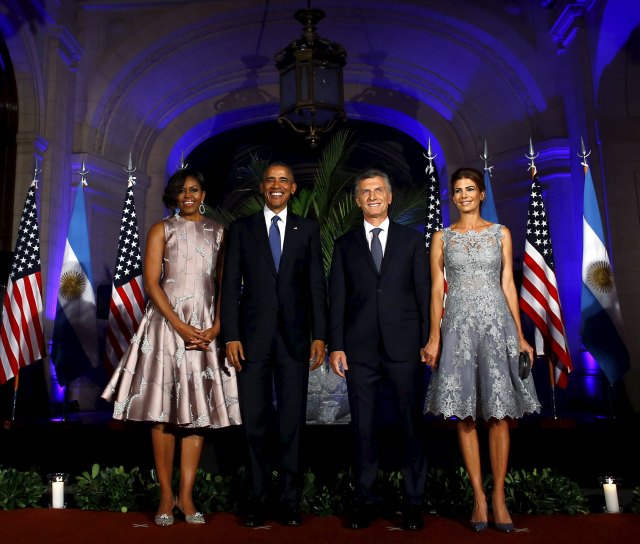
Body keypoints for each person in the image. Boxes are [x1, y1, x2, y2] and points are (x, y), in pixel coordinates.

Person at [102, 168, 240, 527]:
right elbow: (151, 282)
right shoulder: (162, 229)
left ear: (204, 194)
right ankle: (165, 495)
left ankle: (187, 496)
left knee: (197, 413)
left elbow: (227, 285)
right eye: (181, 191)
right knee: (162, 413)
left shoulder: (220, 232)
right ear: (174, 197)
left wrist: (217, 327)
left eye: (194, 189)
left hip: (206, 326)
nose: (188, 196)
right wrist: (178, 324)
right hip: (167, 325)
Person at [422, 167, 541, 533]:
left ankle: (500, 497)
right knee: (466, 415)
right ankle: (478, 498)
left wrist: (520, 337)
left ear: (481, 193)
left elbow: (508, 283)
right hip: (457, 328)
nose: (464, 195)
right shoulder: (442, 238)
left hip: (496, 327)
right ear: (452, 197)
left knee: (500, 414)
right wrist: (434, 338)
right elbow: (436, 291)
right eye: (457, 190)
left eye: (470, 189)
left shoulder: (500, 233)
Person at [220, 161, 327, 527]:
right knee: (255, 420)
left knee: (293, 420)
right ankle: (257, 497)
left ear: (293, 188)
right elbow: (230, 286)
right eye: (270, 180)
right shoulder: (241, 229)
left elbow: (316, 285)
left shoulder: (308, 229)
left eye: (283, 180)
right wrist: (231, 334)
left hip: (296, 339)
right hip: (250, 340)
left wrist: (320, 335)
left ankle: (289, 500)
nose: (277, 186)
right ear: (262, 188)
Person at [328, 168, 429, 531]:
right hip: (359, 350)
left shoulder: (413, 241)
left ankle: (414, 503)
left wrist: (428, 340)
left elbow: (423, 294)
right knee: (364, 429)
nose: (372, 196)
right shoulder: (344, 244)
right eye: (365, 191)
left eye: (378, 190)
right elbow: (336, 300)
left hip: (405, 348)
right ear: (358, 201)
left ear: (389, 197)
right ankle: (365, 501)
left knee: (409, 426)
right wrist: (337, 345)